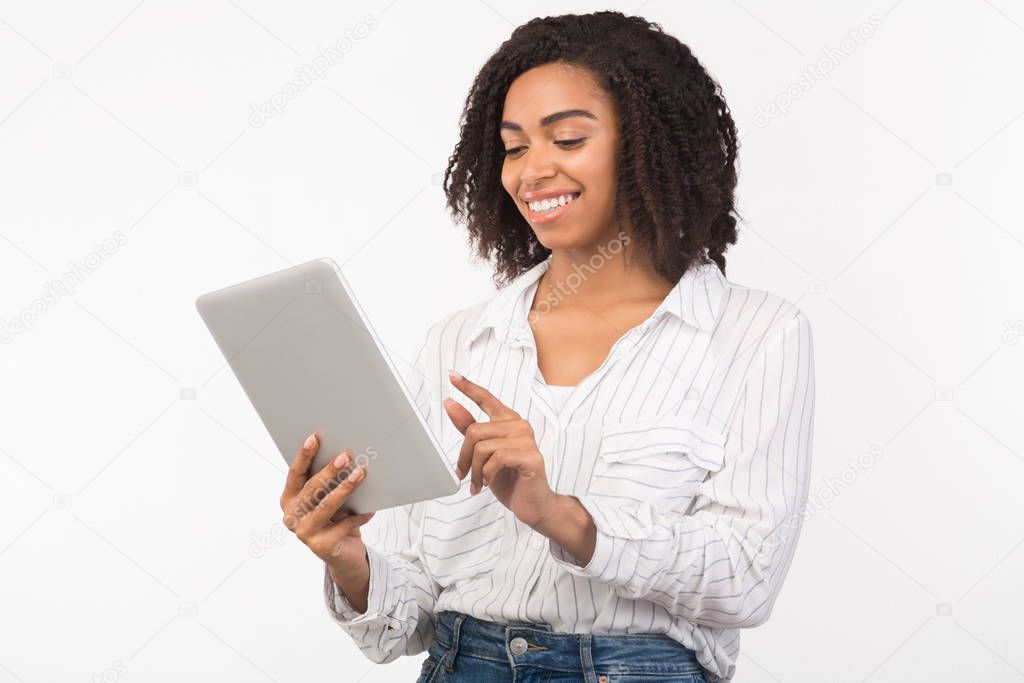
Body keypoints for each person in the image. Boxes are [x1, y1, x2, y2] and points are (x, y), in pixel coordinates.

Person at [279, 10, 815, 683]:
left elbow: (747, 579)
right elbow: (407, 620)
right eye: (513, 147)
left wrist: (563, 517)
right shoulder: (459, 341)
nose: (531, 170)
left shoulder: (757, 334)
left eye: (566, 137)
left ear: (653, 143)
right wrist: (347, 559)